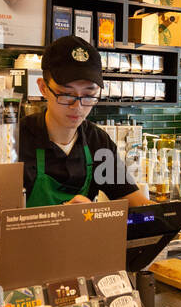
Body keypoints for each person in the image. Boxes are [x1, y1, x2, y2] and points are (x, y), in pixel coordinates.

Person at [20, 35, 151, 208]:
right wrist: (62, 215)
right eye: (66, 94)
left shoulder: (98, 142)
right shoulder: (14, 140)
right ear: (43, 88)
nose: (78, 106)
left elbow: (133, 202)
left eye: (89, 96)